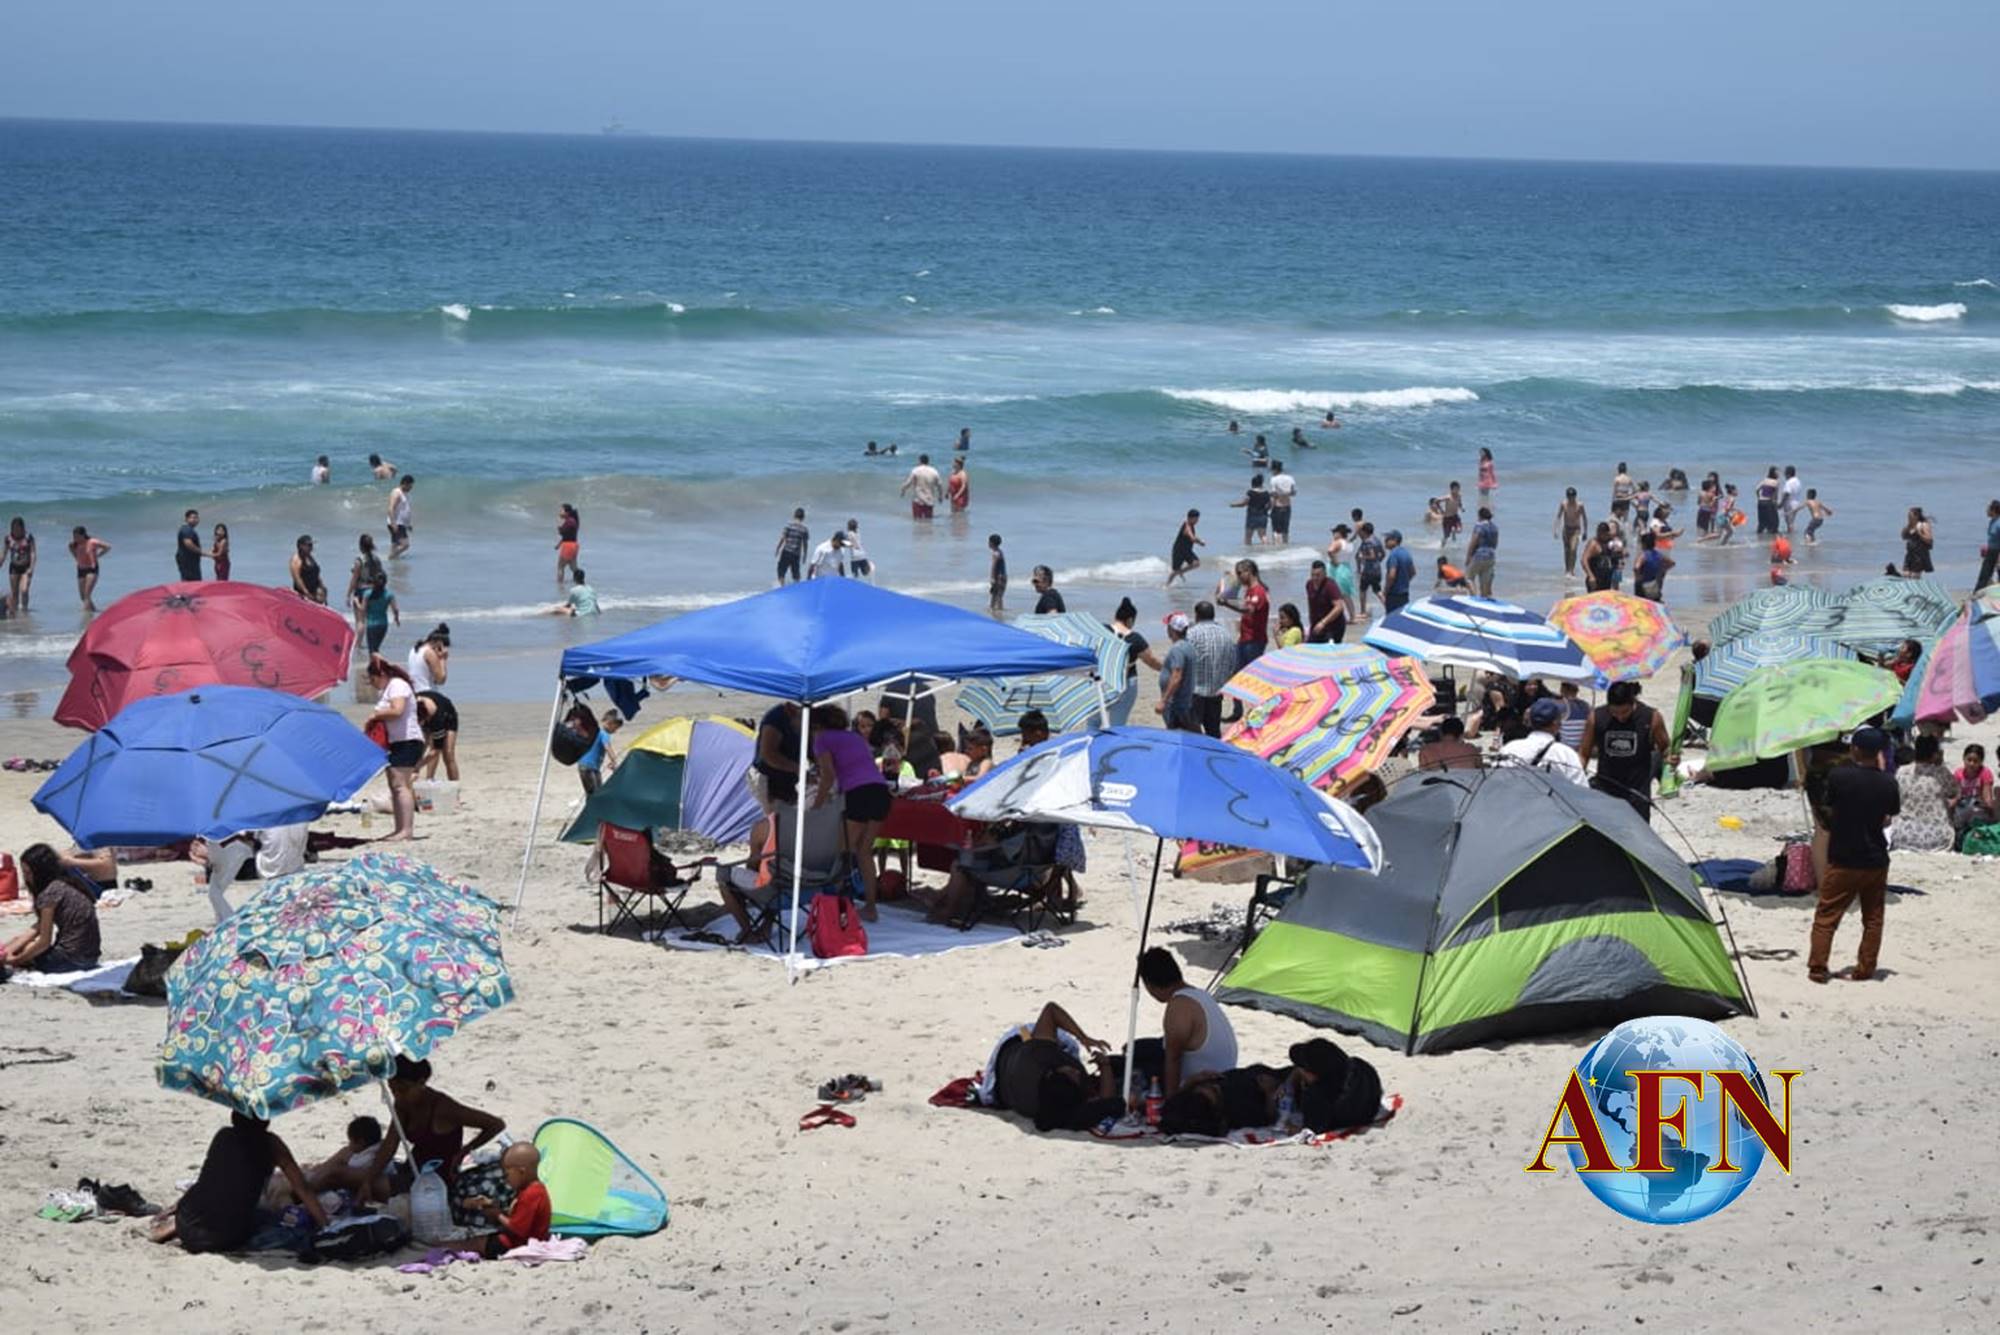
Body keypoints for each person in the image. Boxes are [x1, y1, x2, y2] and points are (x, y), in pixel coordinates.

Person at [147, 1112, 325, 1252]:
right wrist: (326, 1224)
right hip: (227, 1236)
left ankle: (174, 1227)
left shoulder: (223, 1136)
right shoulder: (271, 1144)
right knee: (267, 1216)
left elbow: (212, 1180)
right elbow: (302, 1188)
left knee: (213, 1196)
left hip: (187, 1222)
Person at [1809, 728, 1899, 983]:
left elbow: (1829, 806)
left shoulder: (1839, 777)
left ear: (1855, 749)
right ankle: (1865, 968)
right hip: (1875, 859)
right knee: (1873, 918)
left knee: (1826, 916)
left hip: (1844, 856)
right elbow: (1888, 816)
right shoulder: (1888, 782)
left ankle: (1818, 967)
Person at [984, 1002, 1124, 1133]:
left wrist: (1084, 1038)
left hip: (1010, 1049)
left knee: (1067, 1043)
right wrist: (1105, 1066)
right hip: (1006, 1078)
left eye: (1072, 1074)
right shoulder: (1060, 1105)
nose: (1076, 1071)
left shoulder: (1037, 1055)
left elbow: (1051, 1010)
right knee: (1070, 1045)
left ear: (1051, 1073)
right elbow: (1106, 1103)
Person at [810, 704, 891, 919]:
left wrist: (816, 807)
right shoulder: (854, 737)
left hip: (859, 792)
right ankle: (871, 907)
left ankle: (837, 903)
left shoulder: (822, 739)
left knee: (842, 852)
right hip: (881, 791)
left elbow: (828, 776)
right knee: (864, 851)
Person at [1129, 948, 1238, 1099]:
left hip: (1204, 1087)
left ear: (1149, 985)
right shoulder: (1200, 995)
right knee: (1138, 1047)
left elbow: (1173, 1059)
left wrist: (1171, 1101)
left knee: (1136, 1059)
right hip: (1222, 1073)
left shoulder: (1179, 1005)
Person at [386, 1055, 506, 1191]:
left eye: (403, 1090)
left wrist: (464, 1151)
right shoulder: (402, 1103)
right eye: (392, 1090)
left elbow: (496, 1124)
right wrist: (369, 1177)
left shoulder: (444, 1108)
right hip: (412, 1167)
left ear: (421, 1082)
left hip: (438, 1179)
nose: (397, 1095)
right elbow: (390, 1144)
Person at [1579, 680, 1673, 821]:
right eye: (1614, 713)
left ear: (1633, 702)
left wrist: (1670, 760)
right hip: (1606, 789)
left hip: (1637, 791)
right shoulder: (1596, 717)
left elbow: (1665, 748)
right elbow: (1583, 753)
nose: (1620, 717)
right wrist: (1578, 780)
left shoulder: (1651, 717)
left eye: (1625, 712)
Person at [1, 844, 102, 973]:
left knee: (27, 948)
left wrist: (16, 960)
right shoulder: (67, 884)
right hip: (90, 957)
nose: (25, 878)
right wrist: (7, 951)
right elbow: (39, 927)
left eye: (28, 873)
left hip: (71, 960)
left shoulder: (49, 894)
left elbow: (44, 941)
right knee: (18, 943)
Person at [462, 1143, 551, 1260]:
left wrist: (497, 1214)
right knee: (478, 1238)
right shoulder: (532, 1188)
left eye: (507, 1175)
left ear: (521, 1172)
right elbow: (519, 1215)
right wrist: (493, 1206)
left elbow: (518, 1228)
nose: (506, 1179)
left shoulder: (531, 1194)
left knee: (476, 1243)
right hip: (523, 1238)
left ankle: (441, 1246)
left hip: (518, 1243)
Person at [366, 655, 422, 839]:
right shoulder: (388, 689)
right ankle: (400, 829)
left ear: (381, 674)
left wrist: (376, 716)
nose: (372, 684)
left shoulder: (397, 684)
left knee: (400, 785)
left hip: (408, 740)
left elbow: (397, 710)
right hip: (397, 742)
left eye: (372, 679)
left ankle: (406, 830)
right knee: (394, 785)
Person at [1891, 734, 1955, 853]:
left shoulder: (1901, 772)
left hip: (1905, 836)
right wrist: (1941, 764)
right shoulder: (1940, 773)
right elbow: (1954, 792)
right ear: (1935, 753)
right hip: (1938, 837)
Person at [1499, 698, 1587, 784]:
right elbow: (1581, 790)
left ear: (1530, 722)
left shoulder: (1509, 748)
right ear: (1557, 724)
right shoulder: (1566, 754)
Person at [1184, 601, 1235, 738]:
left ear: (1197, 615)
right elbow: (1232, 664)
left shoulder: (1191, 634)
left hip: (1195, 692)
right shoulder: (1226, 635)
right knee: (1213, 733)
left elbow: (1185, 662)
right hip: (1216, 692)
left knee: (1191, 735)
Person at [1217, 559, 1269, 671]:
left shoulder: (1258, 591)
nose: (1238, 577)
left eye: (1240, 573)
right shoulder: (1249, 591)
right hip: (1245, 639)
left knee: (1250, 673)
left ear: (1249, 572)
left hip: (1254, 640)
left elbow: (1248, 609)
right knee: (1238, 672)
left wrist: (1226, 603)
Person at [753, 701, 804, 808]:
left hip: (789, 780)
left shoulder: (804, 716)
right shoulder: (776, 719)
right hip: (768, 778)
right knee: (774, 818)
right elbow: (768, 754)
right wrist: (798, 769)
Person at [1155, 612, 1196, 730]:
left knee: (1176, 734)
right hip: (1183, 702)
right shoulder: (1188, 646)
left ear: (1171, 629)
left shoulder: (1177, 649)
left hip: (1176, 705)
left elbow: (1176, 676)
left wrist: (1163, 701)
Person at [1953, 743, 1996, 838]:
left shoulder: (1985, 773)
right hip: (1963, 806)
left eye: (1975, 761)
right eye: (1969, 760)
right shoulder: (1958, 773)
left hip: (1979, 806)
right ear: (1963, 759)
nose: (1972, 763)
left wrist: (1989, 808)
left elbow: (1987, 796)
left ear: (1981, 762)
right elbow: (1957, 794)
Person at [576, 707, 621, 794]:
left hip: (587, 766)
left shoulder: (597, 732)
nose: (615, 731)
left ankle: (592, 805)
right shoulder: (604, 734)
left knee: (595, 792)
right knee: (595, 794)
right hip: (588, 767)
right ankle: (592, 806)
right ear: (609, 724)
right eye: (615, 728)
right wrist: (614, 761)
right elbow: (607, 747)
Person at [1416, 716, 1481, 771]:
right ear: (1461, 735)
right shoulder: (1471, 749)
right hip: (1467, 785)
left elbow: (1422, 774)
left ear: (1440, 733)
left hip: (1437, 785)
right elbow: (1479, 770)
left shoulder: (1426, 750)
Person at [67, 525, 108, 612]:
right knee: (83, 597)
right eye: (74, 536)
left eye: (77, 536)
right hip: (81, 570)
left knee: (87, 594)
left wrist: (98, 555)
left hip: (92, 569)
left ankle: (85, 617)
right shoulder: (73, 545)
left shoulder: (92, 542)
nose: (75, 538)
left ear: (83, 535)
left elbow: (107, 547)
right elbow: (75, 555)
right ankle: (94, 611)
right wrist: (77, 559)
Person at [343, 533, 381, 625]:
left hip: (361, 591)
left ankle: (360, 639)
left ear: (360, 546)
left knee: (360, 622)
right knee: (371, 620)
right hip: (374, 591)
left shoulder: (359, 561)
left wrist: (348, 595)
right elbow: (380, 576)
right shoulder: (377, 559)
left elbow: (354, 579)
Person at [1304, 560, 1345, 644]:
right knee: (1311, 649)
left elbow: (1339, 607)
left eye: (1318, 575)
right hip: (1316, 624)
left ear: (1325, 574)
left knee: (1329, 652)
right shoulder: (1309, 584)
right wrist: (1311, 622)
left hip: (1333, 626)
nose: (1315, 578)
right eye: (1313, 575)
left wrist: (1323, 622)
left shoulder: (1330, 585)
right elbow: (1310, 603)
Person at [1324, 523, 1358, 620]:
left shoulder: (1337, 542)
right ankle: (1352, 616)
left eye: (1334, 532)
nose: (1333, 535)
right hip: (1346, 568)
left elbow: (1330, 551)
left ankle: (1334, 616)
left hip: (1336, 569)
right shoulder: (1349, 543)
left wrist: (1335, 561)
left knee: (1333, 593)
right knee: (1346, 594)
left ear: (1339, 533)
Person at [1464, 506, 1499, 596]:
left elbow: (1473, 541)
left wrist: (1468, 557)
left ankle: (1474, 598)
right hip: (1491, 556)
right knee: (1484, 584)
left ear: (1480, 516)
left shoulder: (1479, 526)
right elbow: (1495, 544)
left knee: (1469, 577)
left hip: (1479, 555)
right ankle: (1484, 603)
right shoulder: (1495, 528)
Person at [360, 571, 399, 652]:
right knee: (376, 648)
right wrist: (396, 618)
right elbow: (395, 609)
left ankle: (375, 664)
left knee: (372, 650)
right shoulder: (389, 594)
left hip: (371, 624)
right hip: (383, 624)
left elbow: (363, 610)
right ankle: (377, 664)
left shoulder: (367, 594)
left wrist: (356, 603)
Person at [1553, 487, 1587, 580]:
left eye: (1572, 497)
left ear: (1575, 496)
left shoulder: (1580, 505)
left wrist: (1585, 532)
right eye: (1569, 497)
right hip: (1566, 529)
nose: (1571, 499)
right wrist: (1556, 530)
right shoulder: (1563, 504)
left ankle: (1571, 570)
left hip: (1576, 529)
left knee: (1573, 549)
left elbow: (1584, 518)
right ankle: (1567, 570)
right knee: (1567, 550)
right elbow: (1558, 517)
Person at [1353, 522, 1385, 619]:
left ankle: (1363, 612)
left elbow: (1372, 555)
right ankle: (1389, 607)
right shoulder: (1377, 540)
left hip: (1368, 571)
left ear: (1364, 531)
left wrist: (1363, 557)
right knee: (1377, 590)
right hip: (1377, 569)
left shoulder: (1367, 542)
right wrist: (1378, 562)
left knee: (1362, 590)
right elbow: (1383, 554)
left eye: (1361, 531)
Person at [5, 517, 35, 616]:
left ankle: (25, 611)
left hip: (26, 567)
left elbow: (33, 553)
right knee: (14, 593)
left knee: (24, 589)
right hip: (13, 567)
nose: (16, 530)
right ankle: (15, 613)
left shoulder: (28, 537)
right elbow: (4, 553)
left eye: (18, 528)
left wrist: (31, 567)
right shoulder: (8, 538)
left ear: (22, 528)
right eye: (14, 528)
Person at [899, 453, 944, 519]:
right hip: (929, 500)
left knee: (917, 521)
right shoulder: (934, 471)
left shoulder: (916, 470)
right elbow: (940, 485)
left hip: (918, 500)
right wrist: (940, 496)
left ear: (920, 461)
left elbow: (908, 483)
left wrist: (903, 490)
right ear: (928, 461)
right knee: (928, 521)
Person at [1632, 530, 1673, 602]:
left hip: (1642, 585)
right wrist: (1662, 571)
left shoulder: (1643, 555)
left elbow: (1636, 568)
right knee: (1654, 604)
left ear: (1643, 544)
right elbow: (1671, 563)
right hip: (1654, 584)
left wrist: (1638, 578)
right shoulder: (1658, 555)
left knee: (1641, 603)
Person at [407, 623, 449, 693]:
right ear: (439, 643)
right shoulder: (429, 653)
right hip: (428, 692)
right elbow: (441, 680)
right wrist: (442, 659)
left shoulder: (414, 650)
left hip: (414, 691)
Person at [1230, 471, 1270, 545]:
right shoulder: (1266, 493)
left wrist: (1233, 505)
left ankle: (1248, 553)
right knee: (1263, 535)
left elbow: (1244, 504)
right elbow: (1269, 505)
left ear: (1253, 484)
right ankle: (1267, 551)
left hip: (1252, 516)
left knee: (1248, 536)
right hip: (1263, 516)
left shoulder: (1250, 492)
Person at [282, 534, 323, 606]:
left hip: (315, 592)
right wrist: (306, 593)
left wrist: (322, 587)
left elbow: (316, 573)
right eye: (309, 545)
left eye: (311, 545)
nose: (311, 547)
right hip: (303, 594)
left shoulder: (310, 557)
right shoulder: (296, 560)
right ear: (301, 546)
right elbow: (297, 579)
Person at [1381, 529, 1416, 613]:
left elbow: (1392, 575)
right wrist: (1404, 582)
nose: (1385, 541)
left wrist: (1386, 590)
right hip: (1404, 593)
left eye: (1388, 539)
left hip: (1394, 594)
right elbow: (1413, 572)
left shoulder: (1394, 555)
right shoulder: (1406, 553)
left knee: (1391, 618)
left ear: (1395, 540)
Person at [1167, 509, 1204, 586]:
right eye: (1196, 519)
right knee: (1175, 571)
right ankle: (1166, 585)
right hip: (1179, 551)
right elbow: (1191, 537)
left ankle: (1179, 572)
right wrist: (1199, 542)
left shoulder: (1191, 526)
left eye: (1198, 519)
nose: (1197, 521)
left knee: (1196, 563)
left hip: (1187, 550)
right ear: (1190, 518)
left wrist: (1199, 540)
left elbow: (1192, 537)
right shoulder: (1187, 525)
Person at [774, 507, 809, 584]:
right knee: (796, 574)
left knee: (781, 570)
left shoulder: (788, 526)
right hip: (796, 554)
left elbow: (782, 538)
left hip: (786, 551)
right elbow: (805, 544)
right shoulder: (804, 529)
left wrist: (777, 549)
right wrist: (805, 555)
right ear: (803, 517)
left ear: (794, 515)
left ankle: (781, 586)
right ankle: (796, 588)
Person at [1556, 680, 1590, 752]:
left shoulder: (1562, 705)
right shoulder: (1585, 705)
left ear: (1562, 690)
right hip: (1582, 748)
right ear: (1577, 691)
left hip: (1566, 749)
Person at [1581, 522, 1615, 593]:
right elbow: (1584, 560)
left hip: (1607, 580)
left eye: (1604, 534)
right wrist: (1590, 575)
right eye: (1599, 533)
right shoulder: (1594, 544)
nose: (1600, 535)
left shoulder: (1609, 542)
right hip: (1595, 580)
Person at [1902, 506, 1935, 577]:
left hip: (1920, 554)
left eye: (1910, 515)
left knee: (1914, 576)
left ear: (1916, 516)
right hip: (1910, 554)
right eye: (1908, 516)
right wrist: (1907, 527)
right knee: (1905, 575)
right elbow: (1903, 537)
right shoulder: (1910, 525)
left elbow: (1930, 540)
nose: (1908, 517)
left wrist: (1919, 533)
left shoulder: (1923, 525)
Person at [1268, 461, 1296, 543]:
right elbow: (1293, 493)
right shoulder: (1290, 478)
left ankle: (1277, 548)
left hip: (1277, 506)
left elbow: (1274, 495)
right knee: (1285, 530)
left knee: (1276, 531)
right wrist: (1285, 493)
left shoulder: (1274, 479)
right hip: (1287, 506)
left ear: (1275, 469)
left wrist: (1270, 508)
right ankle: (1285, 548)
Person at [387, 475, 415, 556]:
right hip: (396, 523)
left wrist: (408, 524)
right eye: (410, 486)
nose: (411, 488)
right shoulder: (396, 492)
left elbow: (404, 510)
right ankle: (391, 557)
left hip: (401, 524)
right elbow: (391, 508)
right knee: (405, 545)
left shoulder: (404, 493)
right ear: (405, 484)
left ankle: (393, 564)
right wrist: (393, 523)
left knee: (395, 545)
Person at [175, 508, 205, 581]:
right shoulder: (187, 530)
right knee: (192, 583)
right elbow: (188, 544)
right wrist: (204, 553)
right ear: (186, 519)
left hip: (188, 561)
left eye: (197, 518)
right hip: (188, 562)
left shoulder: (187, 529)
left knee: (190, 582)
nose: (195, 520)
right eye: (193, 518)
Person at [554, 503, 580, 584]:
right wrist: (559, 544)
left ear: (567, 512)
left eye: (561, 510)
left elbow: (563, 532)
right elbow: (568, 536)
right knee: (573, 567)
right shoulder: (571, 521)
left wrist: (559, 528)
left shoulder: (570, 521)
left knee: (560, 566)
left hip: (568, 546)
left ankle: (560, 586)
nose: (560, 512)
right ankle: (580, 581)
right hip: (573, 545)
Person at [1978, 499, 2000, 592]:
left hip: (1997, 552)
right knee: (1984, 575)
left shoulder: (1999, 523)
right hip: (1991, 552)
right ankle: (1977, 594)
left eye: (1988, 509)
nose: (1986, 511)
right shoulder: (1992, 521)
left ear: (1993, 510)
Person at [1754, 467, 1781, 536]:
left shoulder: (1765, 480)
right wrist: (1776, 504)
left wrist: (1758, 497)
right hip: (1768, 502)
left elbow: (1757, 489)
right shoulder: (1776, 482)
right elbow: (1775, 496)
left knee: (1762, 522)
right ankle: (1772, 539)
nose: (1779, 473)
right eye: (1777, 472)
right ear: (1774, 473)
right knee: (1774, 522)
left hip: (1760, 502)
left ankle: (1759, 537)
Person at [1780, 465, 1805, 533]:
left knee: (1789, 523)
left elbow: (1787, 494)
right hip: (1796, 503)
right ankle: (1791, 537)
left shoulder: (1789, 482)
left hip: (1789, 504)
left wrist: (1781, 504)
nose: (1784, 475)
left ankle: (1791, 538)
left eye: (1785, 473)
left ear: (1788, 473)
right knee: (1791, 522)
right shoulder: (1798, 481)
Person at [1438, 481, 1464, 547]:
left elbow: (1460, 503)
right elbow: (1437, 501)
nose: (1458, 490)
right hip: (1447, 518)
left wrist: (1461, 508)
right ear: (1452, 489)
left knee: (1459, 530)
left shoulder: (1459, 496)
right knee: (1446, 536)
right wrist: (1441, 510)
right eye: (1456, 489)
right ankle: (1441, 547)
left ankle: (1454, 532)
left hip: (1455, 516)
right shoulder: (1448, 497)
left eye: (1458, 489)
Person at [988, 533, 1007, 613]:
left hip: (999, 577)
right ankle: (996, 610)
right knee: (997, 595)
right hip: (1002, 576)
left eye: (989, 542)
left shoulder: (996, 554)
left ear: (992, 543)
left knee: (997, 595)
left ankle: (998, 611)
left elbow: (994, 566)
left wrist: (992, 578)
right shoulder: (999, 552)